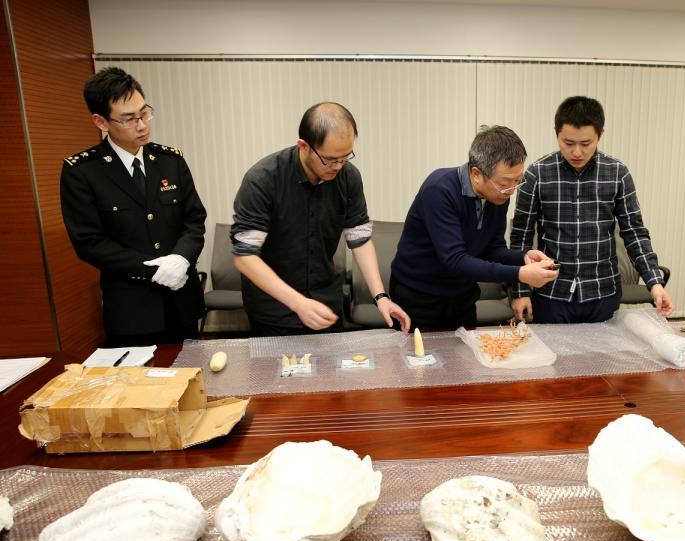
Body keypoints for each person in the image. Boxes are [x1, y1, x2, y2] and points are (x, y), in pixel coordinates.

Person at [231, 102, 410, 336]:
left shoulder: (348, 177)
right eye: (330, 159)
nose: (338, 166)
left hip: (326, 303)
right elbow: (245, 256)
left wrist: (381, 297)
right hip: (273, 309)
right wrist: (298, 303)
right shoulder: (263, 180)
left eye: (345, 157)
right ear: (304, 146)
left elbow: (360, 239)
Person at [60, 67, 206, 346]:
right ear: (101, 121)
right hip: (132, 311)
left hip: (182, 303)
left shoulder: (170, 161)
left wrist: (181, 259)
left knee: (191, 369)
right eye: (129, 119)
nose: (142, 125)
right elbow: (89, 243)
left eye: (144, 113)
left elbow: (194, 220)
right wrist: (154, 270)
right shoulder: (83, 172)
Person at [510, 96, 673, 324]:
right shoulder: (537, 174)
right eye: (568, 143)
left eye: (586, 144)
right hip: (552, 293)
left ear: (600, 134)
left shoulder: (617, 174)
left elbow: (634, 233)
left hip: (602, 292)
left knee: (603, 349)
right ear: (556, 134)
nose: (577, 152)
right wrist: (519, 291)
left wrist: (654, 282)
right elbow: (521, 237)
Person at [390, 126, 558, 330]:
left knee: (467, 350)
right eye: (505, 183)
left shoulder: (498, 196)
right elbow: (455, 260)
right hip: (419, 295)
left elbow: (493, 249)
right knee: (419, 351)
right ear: (476, 173)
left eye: (517, 181)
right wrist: (519, 273)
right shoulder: (439, 190)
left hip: (462, 295)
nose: (512, 191)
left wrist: (523, 257)